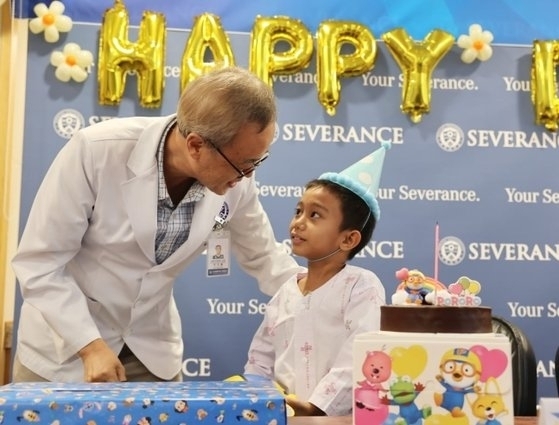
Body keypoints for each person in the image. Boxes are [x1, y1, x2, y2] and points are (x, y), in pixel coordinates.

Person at [11, 66, 303, 383]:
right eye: (243, 163)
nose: (248, 175)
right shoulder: (97, 151)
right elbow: (41, 263)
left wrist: (324, 295)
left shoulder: (236, 178)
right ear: (195, 145)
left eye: (257, 161)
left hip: (149, 353)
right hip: (64, 348)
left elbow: (264, 257)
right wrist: (89, 345)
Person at [243, 143, 390, 416]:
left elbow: (360, 354)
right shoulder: (286, 290)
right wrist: (261, 398)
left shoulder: (361, 287)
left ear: (348, 238)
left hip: (337, 418)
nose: (298, 223)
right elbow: (261, 357)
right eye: (298, 211)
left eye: (314, 215)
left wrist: (315, 406)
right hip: (283, 415)